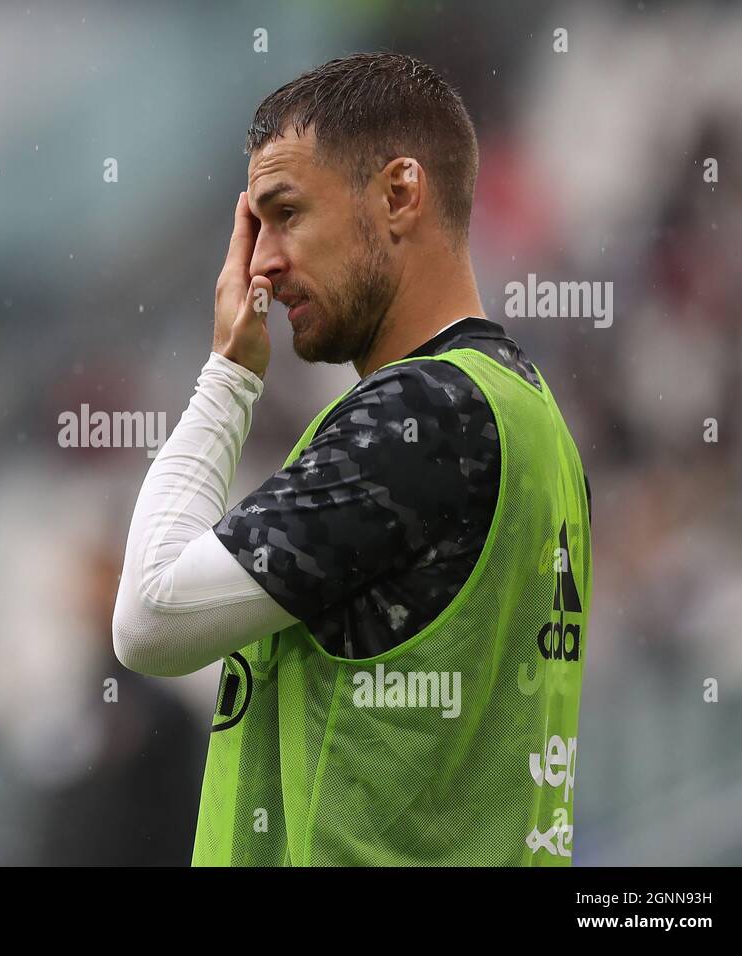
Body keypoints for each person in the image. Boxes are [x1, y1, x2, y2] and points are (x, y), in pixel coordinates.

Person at [112, 52, 593, 866]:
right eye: (253, 227)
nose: (259, 263)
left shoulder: (422, 416)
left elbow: (151, 620)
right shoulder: (527, 412)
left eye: (285, 212)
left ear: (400, 194)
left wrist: (226, 377)